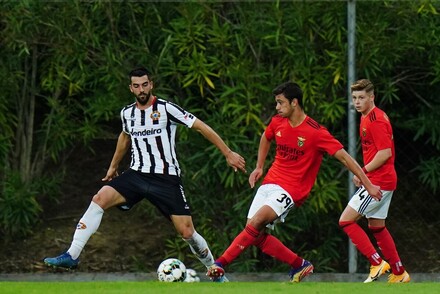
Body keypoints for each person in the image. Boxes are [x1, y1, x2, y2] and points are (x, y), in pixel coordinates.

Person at [44, 67, 246, 282]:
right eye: (137, 86)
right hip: (136, 175)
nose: (141, 89)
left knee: (187, 233)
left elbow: (200, 126)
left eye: (145, 84)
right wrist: (113, 166)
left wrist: (228, 153)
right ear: (131, 88)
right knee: (99, 198)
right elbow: (124, 136)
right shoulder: (127, 113)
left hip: (166, 179)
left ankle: (215, 273)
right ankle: (72, 255)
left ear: (151, 85)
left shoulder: (167, 109)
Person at [206, 81, 382, 282]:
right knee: (253, 234)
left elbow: (344, 157)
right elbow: (266, 137)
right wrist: (259, 167)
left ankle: (220, 264)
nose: (277, 107)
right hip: (271, 182)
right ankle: (300, 265)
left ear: (294, 102)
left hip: (292, 189)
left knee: (256, 222)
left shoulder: (316, 132)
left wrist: (367, 183)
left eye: (280, 103)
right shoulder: (277, 122)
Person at [339, 79, 410, 283]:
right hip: (383, 180)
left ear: (372, 97)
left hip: (379, 182)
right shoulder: (367, 116)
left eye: (362, 97)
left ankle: (377, 262)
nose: (357, 102)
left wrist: (362, 172)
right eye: (354, 98)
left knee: (345, 220)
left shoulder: (376, 120)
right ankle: (399, 272)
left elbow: (385, 153)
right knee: (377, 226)